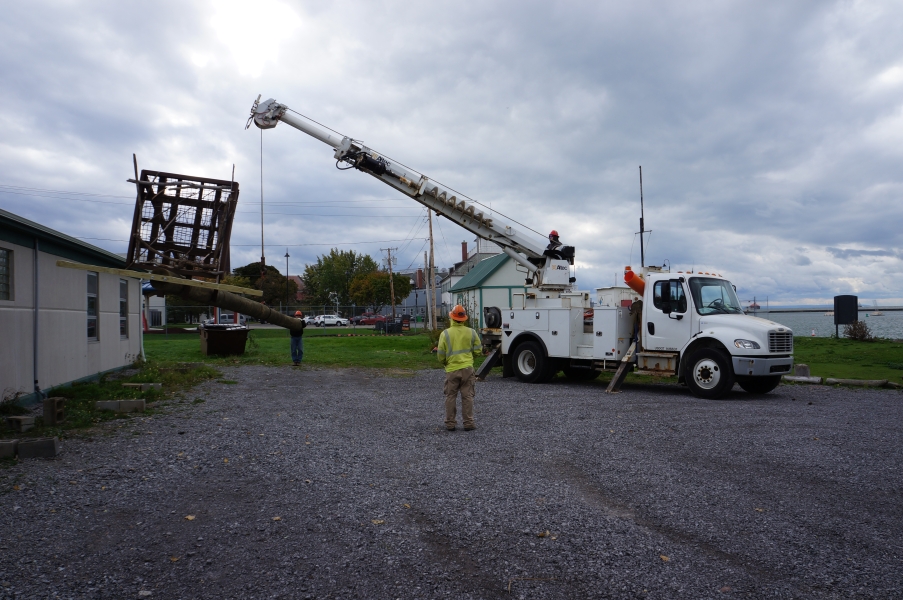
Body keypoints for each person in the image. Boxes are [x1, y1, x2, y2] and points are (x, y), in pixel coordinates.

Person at [437, 304, 482, 431]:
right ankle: (468, 423)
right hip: (468, 368)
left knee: (451, 396)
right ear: (464, 319)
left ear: (452, 317)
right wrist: (470, 358)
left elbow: (440, 354)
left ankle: (450, 423)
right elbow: (478, 350)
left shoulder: (445, 334)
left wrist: (445, 362)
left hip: (452, 369)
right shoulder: (471, 332)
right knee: (467, 396)